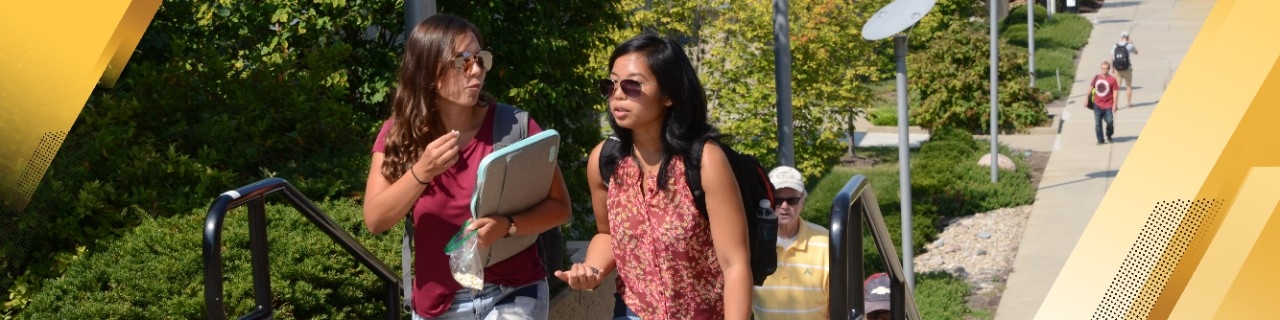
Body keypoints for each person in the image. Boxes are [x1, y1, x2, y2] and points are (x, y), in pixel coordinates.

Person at [361, 14, 571, 320]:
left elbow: (561, 208)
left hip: (513, 290)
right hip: (438, 304)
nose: (476, 71)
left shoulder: (515, 126)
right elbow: (375, 220)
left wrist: (507, 225)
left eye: (481, 59)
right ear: (429, 70)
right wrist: (421, 172)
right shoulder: (399, 134)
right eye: (462, 62)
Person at [553, 33, 753, 320]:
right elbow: (608, 234)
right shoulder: (604, 160)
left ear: (669, 94)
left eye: (632, 85)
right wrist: (592, 271)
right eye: (611, 84)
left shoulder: (704, 161)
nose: (618, 94)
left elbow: (735, 265)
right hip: (633, 312)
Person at [751, 166, 831, 320]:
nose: (784, 207)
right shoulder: (753, 241)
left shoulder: (826, 242)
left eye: (792, 200)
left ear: (803, 201)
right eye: (778, 200)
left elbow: (839, 305)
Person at [1090, 61, 1121, 145]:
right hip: (1097, 104)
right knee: (1097, 124)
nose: (1104, 70)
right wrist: (1086, 99)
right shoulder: (1097, 78)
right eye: (1102, 68)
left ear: (1109, 69)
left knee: (1110, 121)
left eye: (1106, 68)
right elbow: (1091, 88)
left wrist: (1115, 104)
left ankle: (1109, 135)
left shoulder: (1112, 79)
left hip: (1108, 105)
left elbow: (1115, 92)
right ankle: (1100, 140)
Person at [1111, 31, 1139, 108]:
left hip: (1117, 70)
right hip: (1127, 69)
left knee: (1116, 88)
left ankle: (1115, 105)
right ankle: (1129, 103)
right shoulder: (1129, 46)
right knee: (1128, 86)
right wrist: (1132, 44)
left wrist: (1113, 68)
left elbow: (1112, 57)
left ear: (1121, 37)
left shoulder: (1115, 46)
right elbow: (1136, 52)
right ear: (1128, 37)